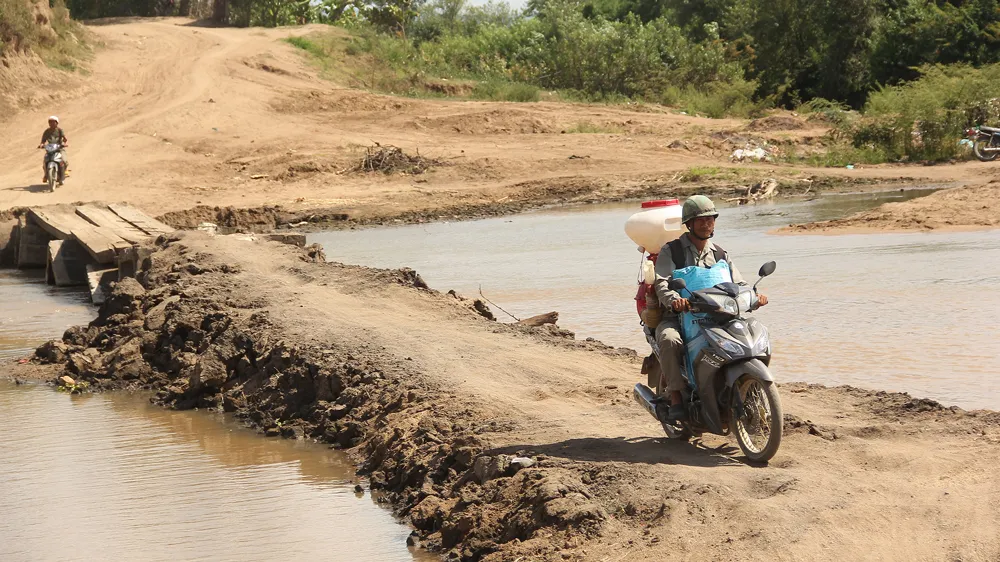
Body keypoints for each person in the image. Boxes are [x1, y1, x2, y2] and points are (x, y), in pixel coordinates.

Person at [651, 195, 768, 421]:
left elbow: (739, 283)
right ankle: (676, 396)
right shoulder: (672, 251)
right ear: (689, 224)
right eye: (701, 220)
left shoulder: (720, 254)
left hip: (718, 314)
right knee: (669, 339)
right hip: (680, 316)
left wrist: (754, 297)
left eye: (711, 219)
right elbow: (662, 283)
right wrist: (675, 300)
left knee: (747, 333)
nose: (707, 224)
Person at [38, 116, 69, 185]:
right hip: (50, 149)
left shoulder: (60, 130)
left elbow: (65, 139)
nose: (51, 123)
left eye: (53, 122)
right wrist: (41, 145)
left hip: (59, 148)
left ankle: (63, 174)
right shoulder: (46, 131)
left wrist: (64, 143)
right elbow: (43, 141)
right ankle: (46, 175)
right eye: (50, 122)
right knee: (45, 161)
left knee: (64, 160)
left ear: (57, 123)